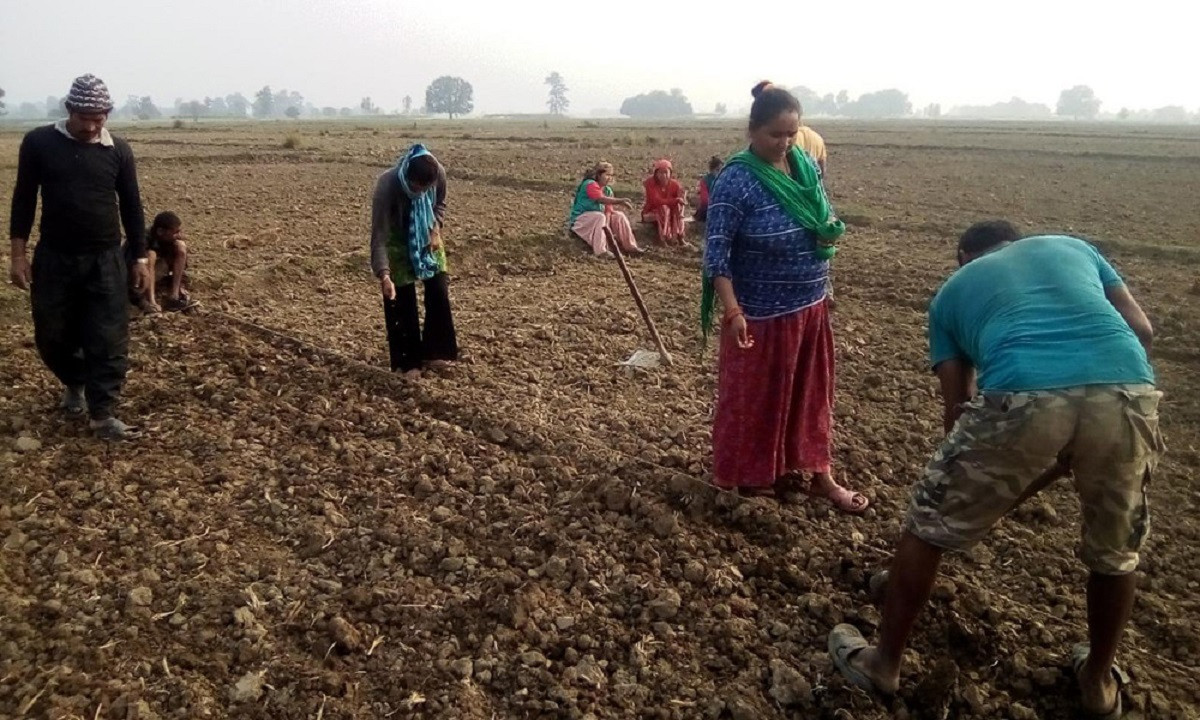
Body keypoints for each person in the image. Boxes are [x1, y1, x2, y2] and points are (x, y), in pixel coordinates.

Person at [829, 222, 1162, 720]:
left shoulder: (950, 294)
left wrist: (964, 486)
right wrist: (1086, 419)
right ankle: (1097, 681)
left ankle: (883, 662)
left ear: (964, 254)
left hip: (1024, 393)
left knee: (926, 525)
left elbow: (958, 406)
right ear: (1018, 240)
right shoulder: (1072, 247)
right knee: (1116, 551)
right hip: (1127, 392)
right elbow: (1141, 331)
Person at [701, 81, 866, 512]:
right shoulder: (736, 181)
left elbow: (821, 219)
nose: (785, 143)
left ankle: (817, 472)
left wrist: (825, 280)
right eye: (776, 134)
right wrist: (733, 311)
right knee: (755, 400)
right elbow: (716, 255)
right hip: (759, 313)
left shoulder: (805, 168)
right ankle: (752, 478)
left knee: (809, 397)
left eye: (792, 133)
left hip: (809, 306)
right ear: (752, 130)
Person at [8, 74, 147, 441]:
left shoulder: (118, 150)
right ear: (69, 110)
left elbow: (132, 205)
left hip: (105, 259)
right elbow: (24, 198)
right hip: (55, 257)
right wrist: (18, 254)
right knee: (52, 333)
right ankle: (75, 381)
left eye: (98, 118)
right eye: (84, 116)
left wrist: (141, 259)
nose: (90, 126)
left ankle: (103, 415)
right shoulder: (39, 143)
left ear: (107, 114)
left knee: (109, 336)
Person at [369, 144, 458, 379]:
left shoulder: (438, 173)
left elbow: (439, 205)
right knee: (401, 298)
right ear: (407, 176)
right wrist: (384, 275)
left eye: (424, 188)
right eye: (416, 187)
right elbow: (379, 234)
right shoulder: (387, 185)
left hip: (427, 231)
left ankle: (435, 351)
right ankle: (407, 362)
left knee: (439, 289)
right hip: (397, 238)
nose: (420, 193)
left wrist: (435, 228)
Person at [568, 162, 642, 258]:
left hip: (598, 219)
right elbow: (601, 199)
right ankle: (601, 251)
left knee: (619, 215)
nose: (609, 178)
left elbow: (608, 210)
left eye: (611, 175)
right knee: (599, 216)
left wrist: (607, 229)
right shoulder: (590, 184)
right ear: (598, 175)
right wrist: (620, 201)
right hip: (582, 219)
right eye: (607, 175)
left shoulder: (607, 190)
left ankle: (630, 247)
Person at [128, 211, 192, 313]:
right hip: (134, 274)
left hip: (156, 270)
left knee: (180, 246)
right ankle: (150, 300)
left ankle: (174, 293)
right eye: (175, 233)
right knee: (151, 255)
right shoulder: (143, 239)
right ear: (161, 231)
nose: (178, 235)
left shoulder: (166, 238)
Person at [641, 158, 687, 245]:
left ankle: (680, 236)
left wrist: (680, 200)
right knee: (664, 208)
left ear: (670, 173)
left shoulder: (675, 185)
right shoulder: (650, 183)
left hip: (669, 214)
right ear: (656, 174)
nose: (663, 175)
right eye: (660, 173)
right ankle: (663, 238)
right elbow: (656, 201)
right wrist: (675, 200)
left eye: (666, 172)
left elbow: (680, 199)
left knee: (677, 207)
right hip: (651, 212)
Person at [694, 155, 723, 223]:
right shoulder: (705, 181)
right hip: (709, 207)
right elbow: (704, 200)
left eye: (721, 170)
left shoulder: (724, 180)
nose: (720, 173)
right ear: (711, 170)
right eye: (717, 170)